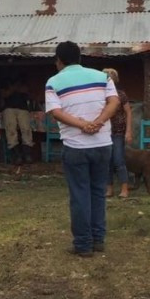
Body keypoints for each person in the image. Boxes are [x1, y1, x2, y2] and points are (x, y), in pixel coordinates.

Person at [45, 42, 120, 257]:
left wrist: (82, 125)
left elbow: (56, 113)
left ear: (58, 60)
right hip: (103, 145)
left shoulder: (53, 82)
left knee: (80, 195)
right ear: (80, 57)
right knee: (98, 192)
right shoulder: (102, 76)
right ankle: (98, 240)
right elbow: (114, 102)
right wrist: (97, 122)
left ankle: (83, 245)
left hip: (75, 147)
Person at [102, 68, 133, 198]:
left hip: (118, 132)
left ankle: (125, 189)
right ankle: (109, 189)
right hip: (104, 132)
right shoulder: (100, 95)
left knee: (118, 160)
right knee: (107, 161)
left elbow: (128, 112)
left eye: (109, 78)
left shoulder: (120, 94)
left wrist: (129, 130)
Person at [0, 78, 34, 164]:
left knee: (26, 129)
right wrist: (13, 89)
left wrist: (20, 89)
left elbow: (30, 95)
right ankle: (16, 156)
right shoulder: (5, 83)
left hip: (23, 108)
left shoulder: (23, 83)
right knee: (11, 130)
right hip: (9, 108)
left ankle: (27, 155)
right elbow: (3, 95)